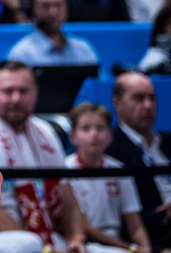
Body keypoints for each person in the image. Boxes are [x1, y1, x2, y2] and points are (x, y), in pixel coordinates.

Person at [0, 61, 106, 252]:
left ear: (36, 92)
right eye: (8, 91)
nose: (16, 99)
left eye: (23, 91)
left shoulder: (45, 132)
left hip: (50, 236)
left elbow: (66, 192)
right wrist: (46, 249)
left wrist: (76, 238)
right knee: (27, 244)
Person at [65, 102, 152, 252]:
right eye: (86, 128)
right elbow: (87, 229)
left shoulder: (119, 170)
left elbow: (135, 224)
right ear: (73, 136)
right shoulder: (64, 170)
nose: (94, 134)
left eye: (100, 128)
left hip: (117, 242)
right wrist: (131, 248)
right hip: (84, 244)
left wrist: (146, 248)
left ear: (110, 136)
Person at [107, 71, 171, 251]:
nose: (148, 105)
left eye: (152, 98)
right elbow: (126, 217)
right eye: (138, 98)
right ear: (117, 103)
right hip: (155, 240)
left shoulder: (167, 143)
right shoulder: (111, 149)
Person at [6, 0, 100, 67]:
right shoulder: (21, 55)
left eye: (58, 5)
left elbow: (99, 78)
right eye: (45, 6)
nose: (53, 12)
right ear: (33, 9)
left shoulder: (84, 49)